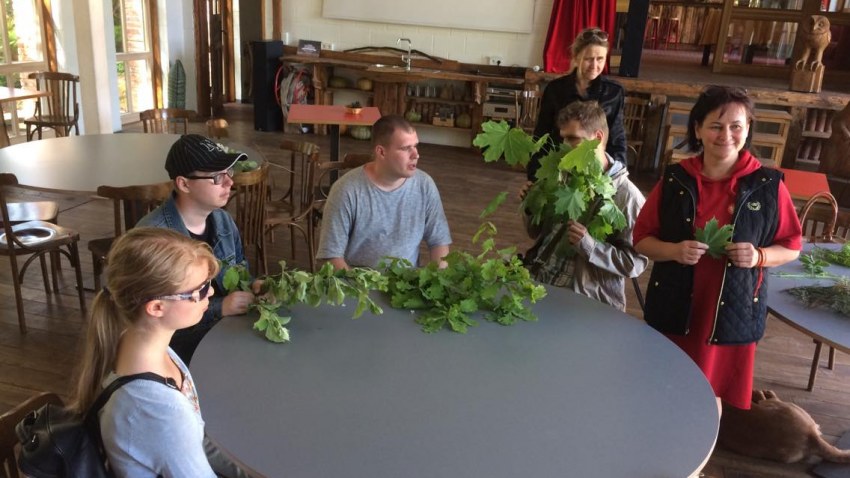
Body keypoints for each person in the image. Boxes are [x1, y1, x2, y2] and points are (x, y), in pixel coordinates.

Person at [632, 85, 802, 411]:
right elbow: (641, 239)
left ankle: (705, 443)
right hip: (676, 306)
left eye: (736, 126)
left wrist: (759, 256)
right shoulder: (675, 180)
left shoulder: (767, 185)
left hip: (731, 312)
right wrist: (674, 251)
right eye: (715, 126)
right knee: (665, 388)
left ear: (748, 128)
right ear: (697, 129)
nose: (726, 135)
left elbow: (792, 246)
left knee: (712, 398)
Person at [69, 227, 258, 477]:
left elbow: (197, 438)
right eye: (201, 289)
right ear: (157, 307)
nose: (211, 292)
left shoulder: (143, 346)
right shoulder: (158, 410)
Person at [137, 134, 259, 363]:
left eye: (229, 172)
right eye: (217, 177)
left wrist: (254, 285)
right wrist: (220, 307)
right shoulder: (155, 238)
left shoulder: (223, 220)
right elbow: (149, 316)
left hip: (226, 335)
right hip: (178, 353)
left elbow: (240, 271)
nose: (229, 182)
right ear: (184, 184)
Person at [523, 100, 647, 311]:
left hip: (582, 299)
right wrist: (531, 206)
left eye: (573, 138)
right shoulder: (561, 177)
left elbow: (634, 263)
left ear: (597, 138)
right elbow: (536, 233)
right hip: (540, 281)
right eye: (563, 138)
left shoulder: (627, 196)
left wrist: (590, 246)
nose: (565, 146)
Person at [316, 115, 452, 270]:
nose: (416, 155)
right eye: (405, 148)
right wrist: (356, 283)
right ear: (381, 152)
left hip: (407, 280)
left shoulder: (425, 185)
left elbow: (439, 241)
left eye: (415, 146)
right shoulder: (346, 190)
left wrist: (438, 277)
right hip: (357, 279)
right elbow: (331, 255)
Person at [527, 27, 627, 181]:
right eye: (588, 59)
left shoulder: (614, 92)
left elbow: (617, 139)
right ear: (576, 57)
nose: (594, 65)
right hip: (559, 165)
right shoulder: (555, 89)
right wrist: (534, 177)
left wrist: (616, 178)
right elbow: (542, 134)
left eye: (600, 59)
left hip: (595, 170)